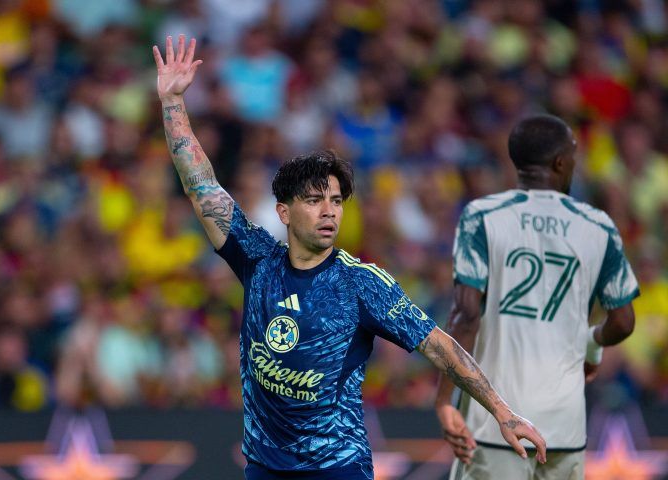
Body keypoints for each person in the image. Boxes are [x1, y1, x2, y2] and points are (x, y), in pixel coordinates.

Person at [153, 35, 547, 479]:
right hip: (264, 467)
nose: (329, 212)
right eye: (314, 200)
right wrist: (173, 101)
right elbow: (201, 186)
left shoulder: (362, 283)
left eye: (337, 201)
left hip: (338, 467)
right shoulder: (257, 259)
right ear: (284, 212)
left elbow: (439, 346)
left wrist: (502, 412)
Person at [436, 114, 638, 480]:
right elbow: (623, 321)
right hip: (565, 429)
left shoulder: (482, 216)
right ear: (560, 162)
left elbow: (466, 315)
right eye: (574, 154)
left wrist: (445, 399)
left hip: (493, 424)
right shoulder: (598, 226)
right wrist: (591, 344)